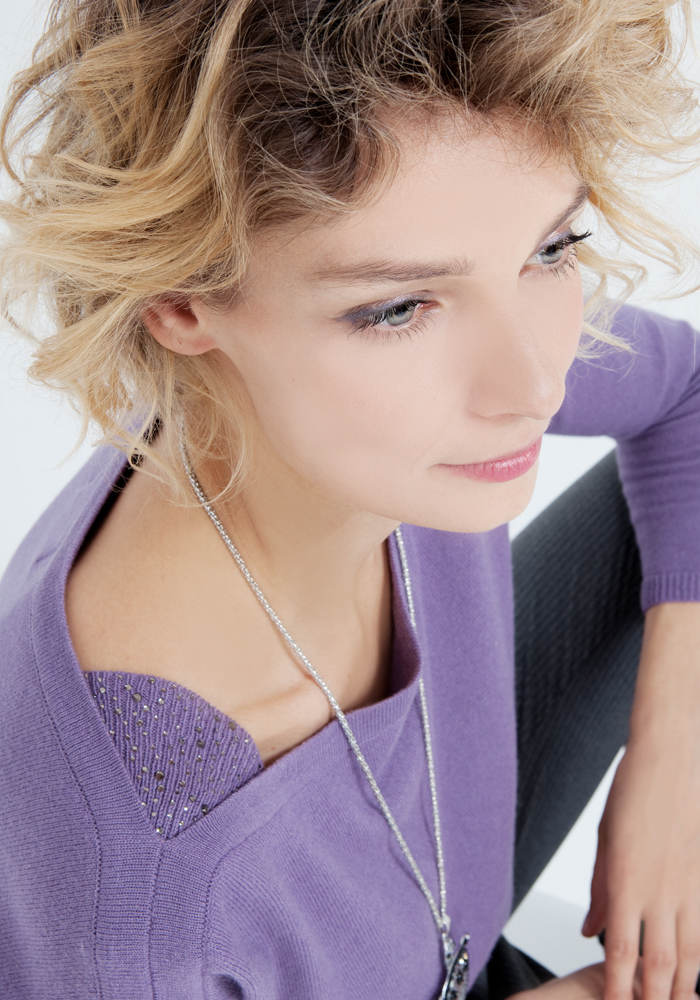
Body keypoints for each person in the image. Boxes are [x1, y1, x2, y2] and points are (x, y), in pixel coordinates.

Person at [1, 1, 700, 998]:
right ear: (180, 301)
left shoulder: (348, 419)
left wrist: (673, 757)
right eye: (399, 308)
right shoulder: (149, 906)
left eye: (550, 251)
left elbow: (687, 393)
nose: (535, 386)